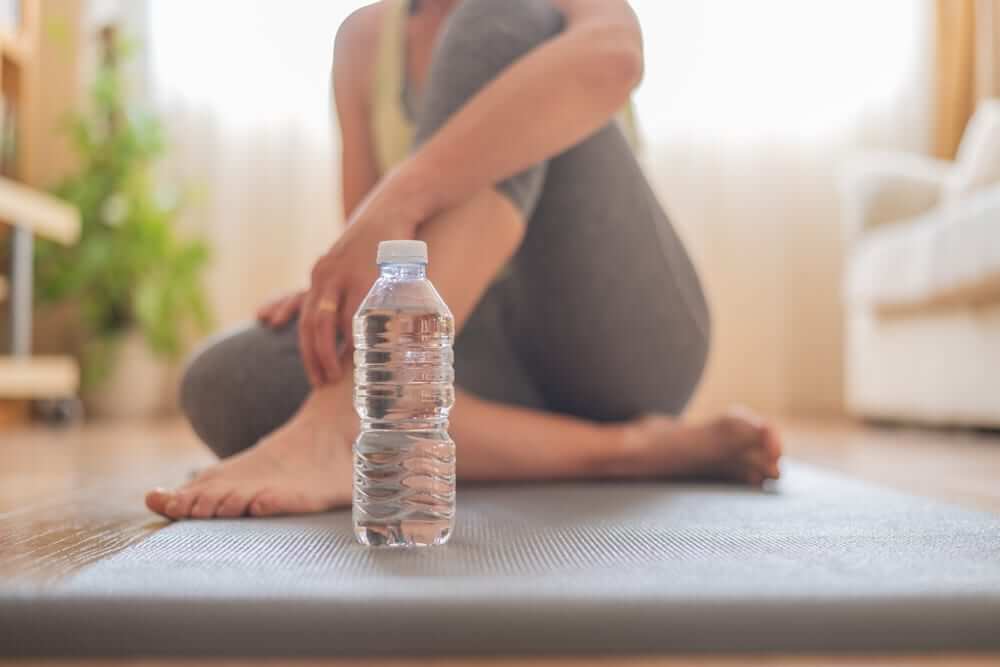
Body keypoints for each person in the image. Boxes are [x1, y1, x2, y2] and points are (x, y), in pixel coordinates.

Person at [145, 0, 782, 520]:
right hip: (476, 347)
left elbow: (616, 57)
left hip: (617, 335)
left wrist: (401, 193)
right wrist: (334, 302)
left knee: (502, 12)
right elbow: (377, 251)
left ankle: (349, 421)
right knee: (228, 382)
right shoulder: (364, 40)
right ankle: (631, 451)